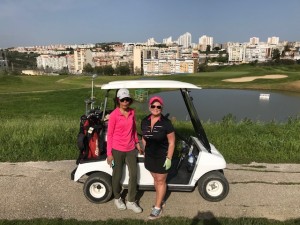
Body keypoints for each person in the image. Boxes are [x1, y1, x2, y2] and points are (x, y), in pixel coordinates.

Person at [106, 88, 143, 213]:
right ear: (118, 100)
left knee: (133, 174)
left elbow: (133, 130)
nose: (125, 102)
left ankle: (131, 201)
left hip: (131, 148)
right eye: (123, 99)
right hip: (117, 149)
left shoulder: (132, 112)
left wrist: (137, 143)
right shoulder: (114, 115)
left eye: (127, 99)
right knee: (117, 174)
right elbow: (110, 135)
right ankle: (117, 197)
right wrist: (109, 153)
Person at [141, 96, 175, 220]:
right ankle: (161, 200)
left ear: (161, 108)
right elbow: (144, 138)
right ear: (149, 107)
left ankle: (157, 208)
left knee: (160, 180)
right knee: (155, 178)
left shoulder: (166, 123)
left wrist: (169, 158)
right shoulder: (144, 121)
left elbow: (171, 142)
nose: (156, 108)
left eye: (158, 106)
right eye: (153, 106)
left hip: (162, 156)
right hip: (150, 156)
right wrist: (145, 150)